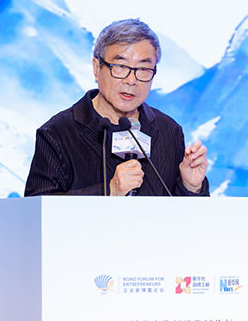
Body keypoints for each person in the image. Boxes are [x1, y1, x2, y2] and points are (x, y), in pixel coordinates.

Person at [24, 18, 209, 196]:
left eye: (143, 69)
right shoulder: (58, 132)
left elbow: (183, 214)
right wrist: (109, 191)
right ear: (96, 68)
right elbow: (36, 206)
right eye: (120, 66)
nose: (131, 80)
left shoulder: (168, 131)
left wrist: (190, 186)